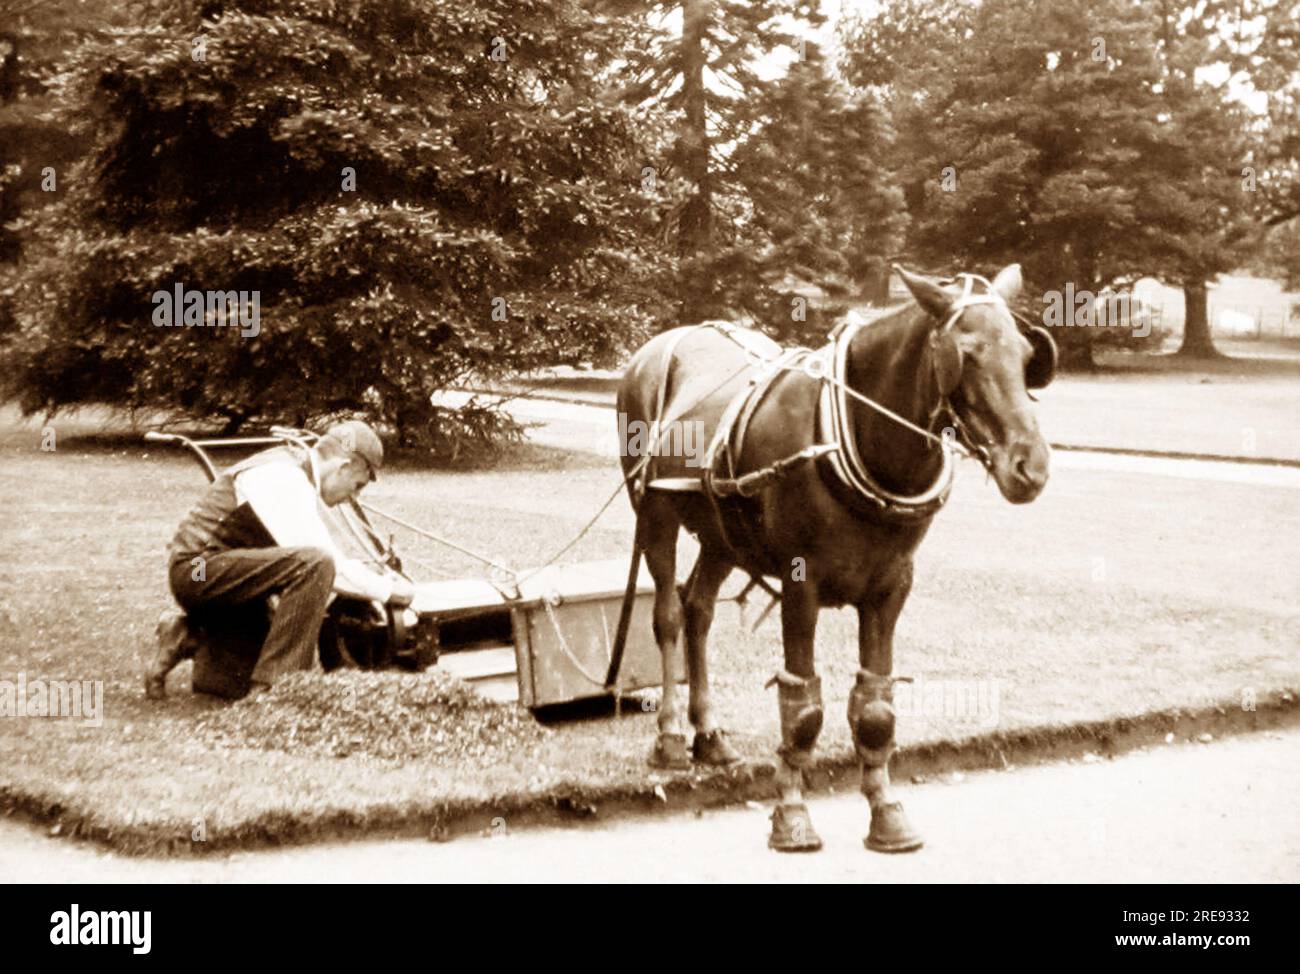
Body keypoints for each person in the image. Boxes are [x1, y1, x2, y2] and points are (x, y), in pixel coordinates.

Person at [145, 420, 415, 699]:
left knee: (235, 682)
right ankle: (276, 691)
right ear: (343, 467)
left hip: (225, 579)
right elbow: (324, 563)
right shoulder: (282, 476)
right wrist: (390, 591)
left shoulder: (296, 472)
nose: (353, 497)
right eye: (357, 486)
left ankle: (188, 636)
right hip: (196, 569)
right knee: (316, 563)